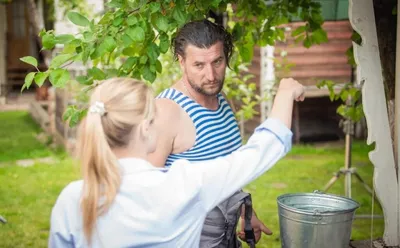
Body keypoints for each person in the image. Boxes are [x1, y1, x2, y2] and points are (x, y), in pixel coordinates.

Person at [48, 77, 305, 247]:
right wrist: (285, 92)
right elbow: (266, 147)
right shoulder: (186, 185)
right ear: (146, 128)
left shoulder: (73, 199)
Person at [148, 19, 270, 247]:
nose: (211, 75)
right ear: (181, 62)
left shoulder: (221, 100)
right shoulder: (167, 111)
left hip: (224, 237)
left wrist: (246, 212)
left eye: (218, 61)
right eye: (199, 65)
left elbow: (227, 167)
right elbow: (146, 186)